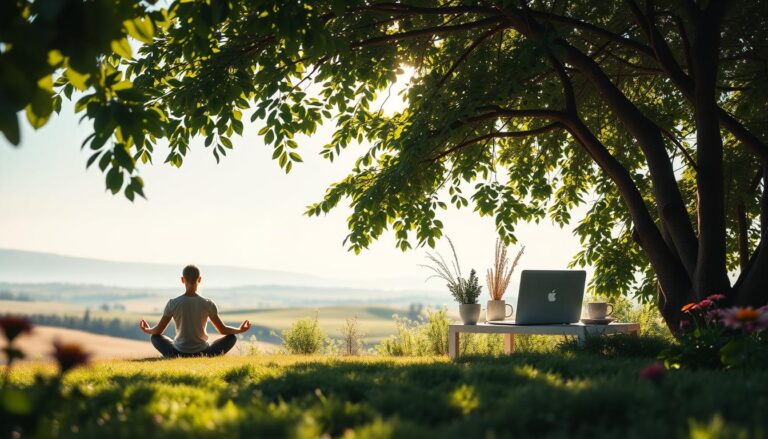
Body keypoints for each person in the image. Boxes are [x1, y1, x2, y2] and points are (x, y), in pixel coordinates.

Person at [139, 264, 250, 357]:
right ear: (200, 279)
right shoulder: (208, 303)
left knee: (155, 338)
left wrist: (147, 330)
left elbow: (158, 331)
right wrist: (240, 330)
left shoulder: (172, 303)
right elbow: (223, 330)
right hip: (204, 352)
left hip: (178, 352)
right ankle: (205, 356)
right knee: (232, 337)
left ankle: (174, 356)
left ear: (182, 280)